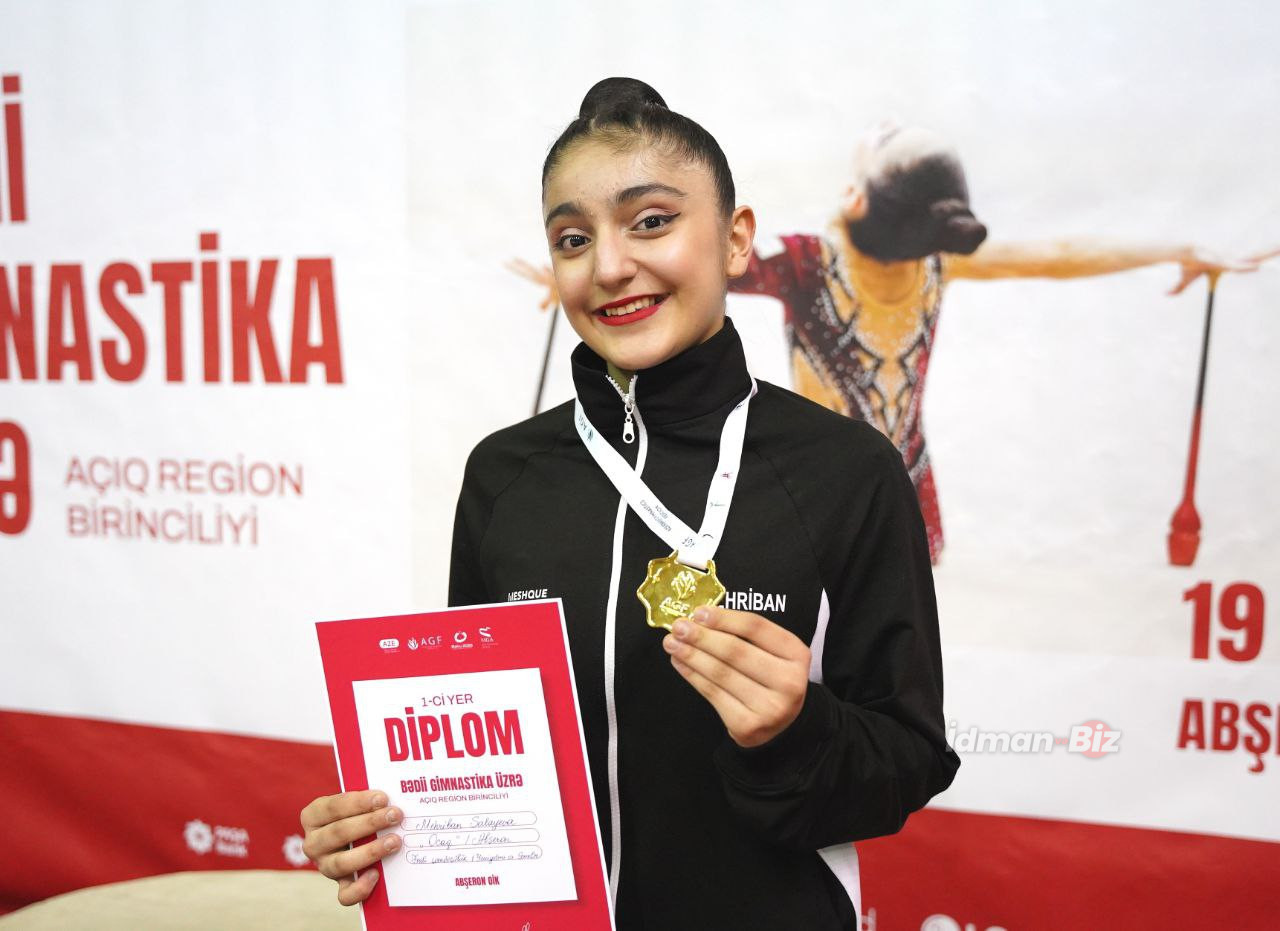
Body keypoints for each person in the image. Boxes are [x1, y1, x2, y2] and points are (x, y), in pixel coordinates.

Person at [302, 78, 957, 929]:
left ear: (736, 239)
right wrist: (390, 828)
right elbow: (479, 749)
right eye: (573, 238)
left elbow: (910, 758)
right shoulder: (505, 474)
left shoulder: (849, 471)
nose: (609, 266)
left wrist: (797, 730)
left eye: (651, 221)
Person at [512, 121, 1266, 565]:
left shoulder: (857, 261)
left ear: (856, 201)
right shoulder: (865, 262)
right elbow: (695, 261)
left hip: (864, 491)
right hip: (849, 490)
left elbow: (1062, 253)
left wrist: (590, 272)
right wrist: (598, 275)